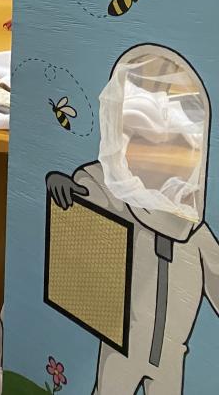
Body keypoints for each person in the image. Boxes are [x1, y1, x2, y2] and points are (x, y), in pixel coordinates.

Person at [45, 45, 219, 395]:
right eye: (142, 137)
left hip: (171, 356)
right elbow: (89, 196)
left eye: (174, 140)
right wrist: (63, 187)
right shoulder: (118, 202)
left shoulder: (194, 235)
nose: (160, 153)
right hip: (120, 346)